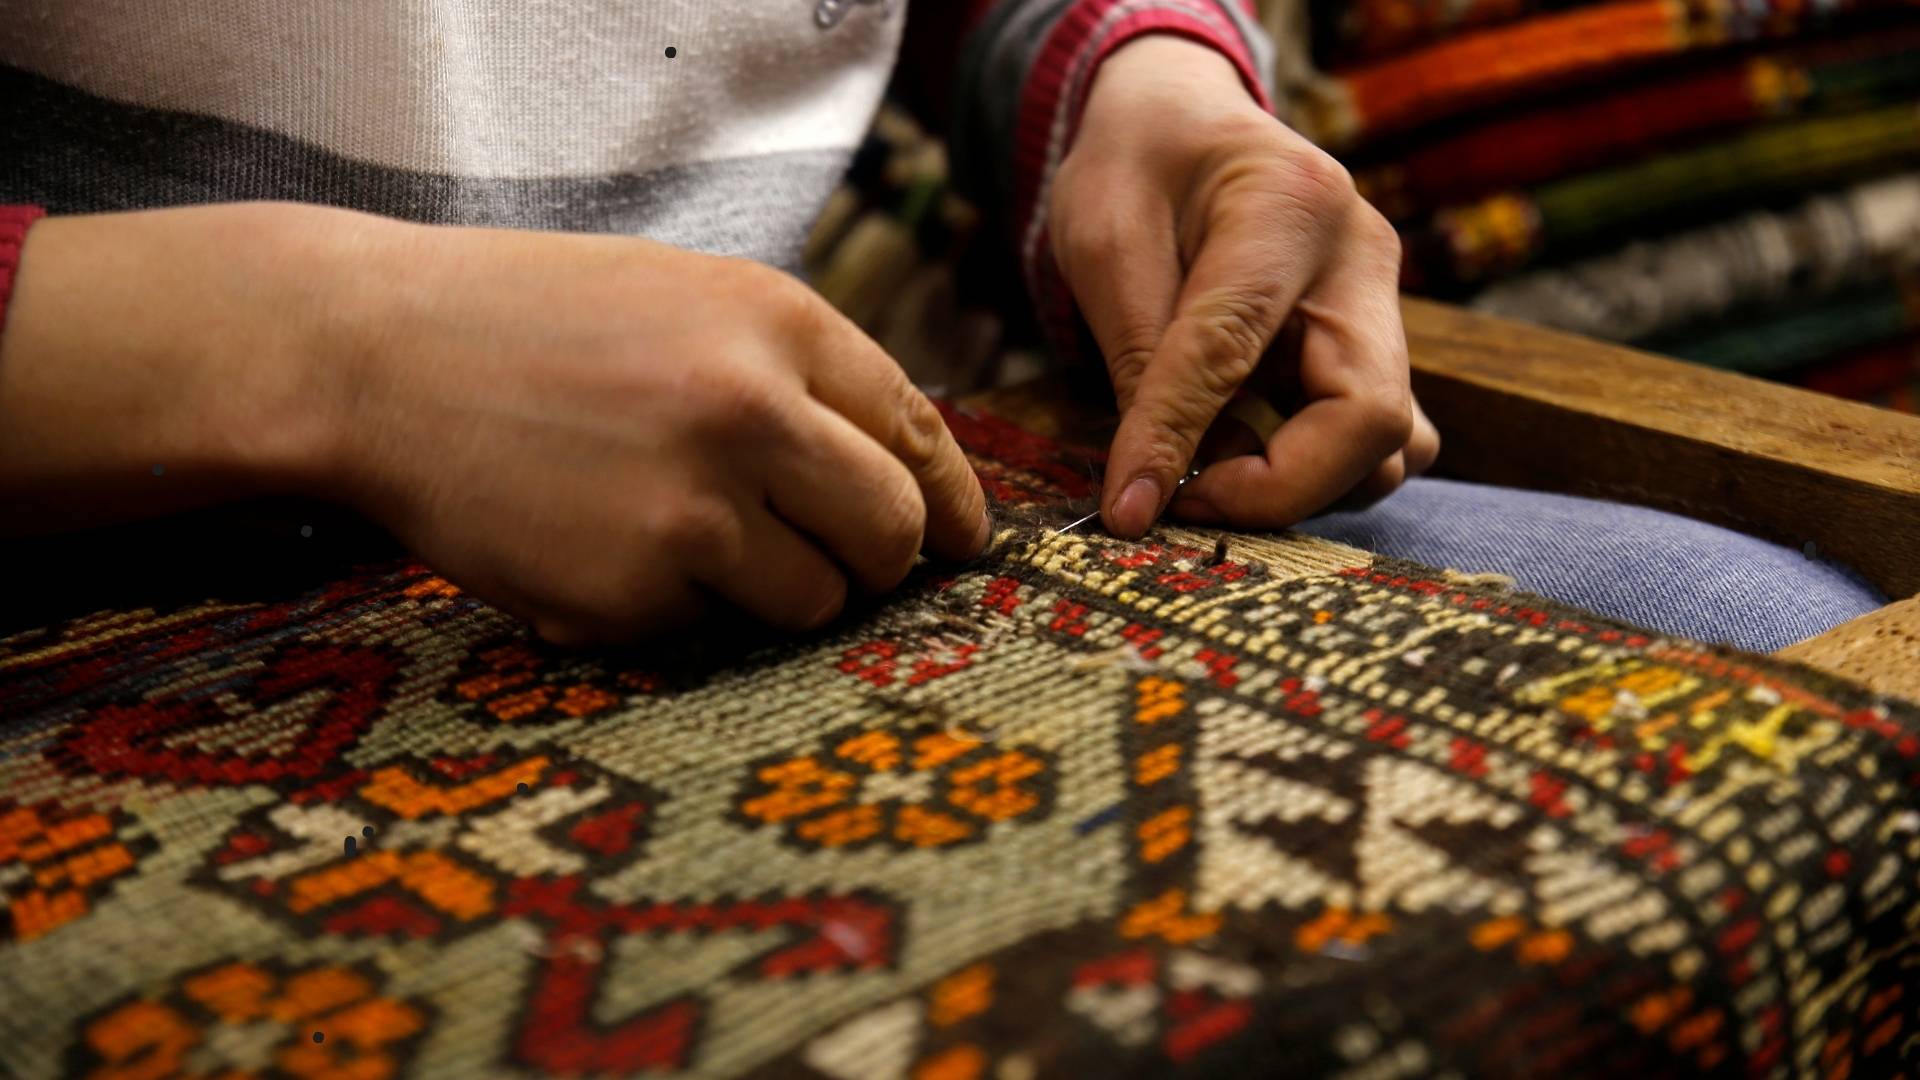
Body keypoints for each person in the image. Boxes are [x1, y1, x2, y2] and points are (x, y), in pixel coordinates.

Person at [0, 0, 1880, 651]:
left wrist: (1137, 93)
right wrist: (344, 352)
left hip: (788, 508)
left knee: (1798, 651)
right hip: (99, 584)